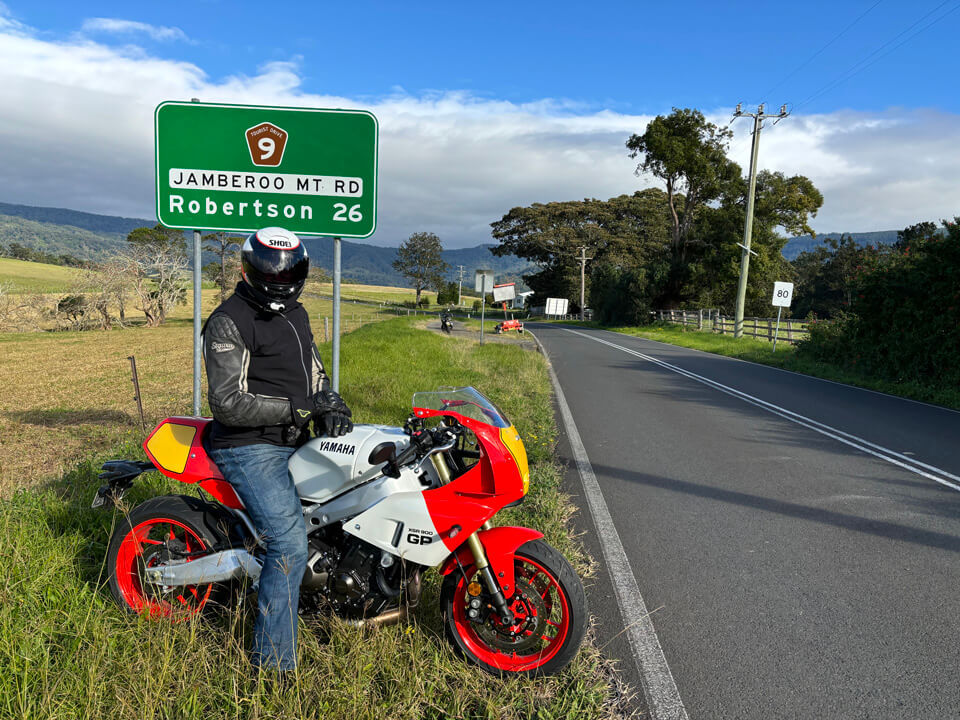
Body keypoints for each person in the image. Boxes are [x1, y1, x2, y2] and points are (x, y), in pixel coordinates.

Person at [202, 226, 353, 673]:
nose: (280, 280)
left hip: (294, 437)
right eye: (270, 271)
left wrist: (331, 404)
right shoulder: (229, 320)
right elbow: (227, 402)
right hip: (249, 447)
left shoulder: (297, 313)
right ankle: (272, 666)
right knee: (287, 546)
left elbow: (315, 373)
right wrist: (298, 410)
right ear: (248, 270)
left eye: (288, 272)